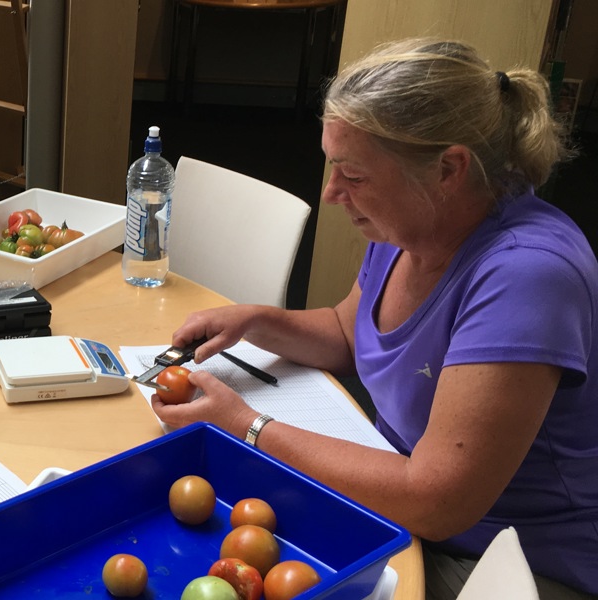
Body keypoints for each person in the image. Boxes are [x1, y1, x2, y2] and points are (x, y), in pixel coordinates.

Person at [151, 38, 597, 599]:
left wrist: (248, 426)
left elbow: (437, 503)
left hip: (507, 562)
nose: (333, 194)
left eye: (353, 175)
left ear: (449, 169)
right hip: (407, 506)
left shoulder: (528, 275)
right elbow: (348, 333)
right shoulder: (409, 225)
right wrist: (255, 321)